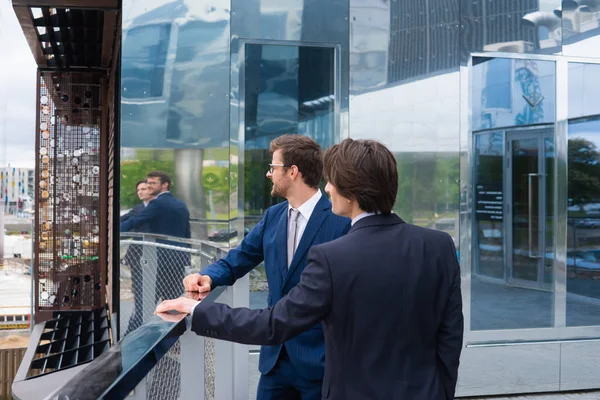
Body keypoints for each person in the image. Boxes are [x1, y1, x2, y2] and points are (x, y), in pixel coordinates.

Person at [157, 138, 464, 400]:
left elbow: (272, 324)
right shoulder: (440, 246)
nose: (328, 187)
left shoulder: (336, 254)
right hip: (420, 389)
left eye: (333, 180)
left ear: (350, 189)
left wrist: (194, 310)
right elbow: (450, 334)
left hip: (332, 374)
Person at [181, 134, 350, 400]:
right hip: (274, 359)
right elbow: (241, 257)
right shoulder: (273, 216)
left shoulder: (341, 222)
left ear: (293, 171)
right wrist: (208, 277)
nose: (269, 174)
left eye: (274, 167)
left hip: (320, 359)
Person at [121, 171, 191, 303]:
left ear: (164, 185)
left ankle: (140, 325)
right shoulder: (181, 204)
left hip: (159, 261)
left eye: (153, 183)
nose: (149, 186)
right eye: (148, 183)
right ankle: (171, 324)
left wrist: (113, 231)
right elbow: (187, 233)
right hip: (178, 260)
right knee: (173, 302)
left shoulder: (158, 203)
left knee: (145, 303)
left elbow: (135, 221)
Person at [120, 180, 156, 334]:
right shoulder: (137, 209)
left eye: (144, 189)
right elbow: (123, 222)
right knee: (139, 292)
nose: (140, 192)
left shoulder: (160, 209)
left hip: (156, 255)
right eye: (138, 189)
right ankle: (135, 330)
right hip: (137, 256)